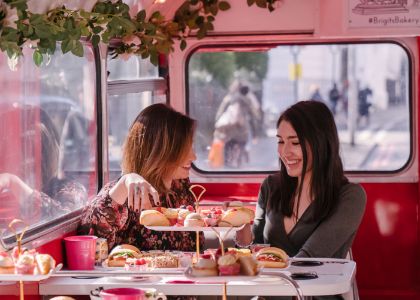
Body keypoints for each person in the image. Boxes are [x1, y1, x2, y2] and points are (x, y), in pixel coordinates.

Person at [235, 101, 366, 262]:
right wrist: (240, 230)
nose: (284, 152)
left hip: (316, 287)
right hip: (268, 286)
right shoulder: (270, 186)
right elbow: (254, 250)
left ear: (321, 143)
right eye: (281, 141)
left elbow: (309, 260)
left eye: (295, 142)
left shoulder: (350, 196)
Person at [77, 103, 202, 251]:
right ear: (161, 152)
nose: (194, 157)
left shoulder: (180, 186)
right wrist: (124, 183)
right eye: (184, 149)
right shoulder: (125, 194)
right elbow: (90, 241)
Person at [0, 106, 87, 223]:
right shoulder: (6, 196)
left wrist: (13, 183)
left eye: (32, 150)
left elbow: (62, 219)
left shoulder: (71, 190)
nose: (25, 162)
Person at [210, 80, 260, 168]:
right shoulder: (247, 100)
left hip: (229, 129)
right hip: (242, 130)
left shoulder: (229, 98)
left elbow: (220, 112)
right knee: (241, 144)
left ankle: (227, 163)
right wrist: (255, 133)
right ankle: (239, 161)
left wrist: (218, 124)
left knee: (228, 145)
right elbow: (253, 117)